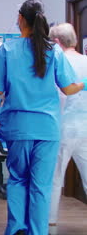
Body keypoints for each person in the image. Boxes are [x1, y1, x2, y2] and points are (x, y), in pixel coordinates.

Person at [0, 0, 85, 235]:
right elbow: (68, 88)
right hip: (47, 128)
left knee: (18, 180)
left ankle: (15, 229)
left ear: (20, 19)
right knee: (41, 186)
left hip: (19, 127)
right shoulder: (53, 51)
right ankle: (38, 232)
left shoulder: (7, 49)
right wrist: (83, 83)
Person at [48, 23, 87, 226]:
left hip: (62, 127)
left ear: (56, 42)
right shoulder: (86, 61)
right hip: (86, 126)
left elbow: (56, 95)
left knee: (55, 176)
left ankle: (50, 220)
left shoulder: (58, 61)